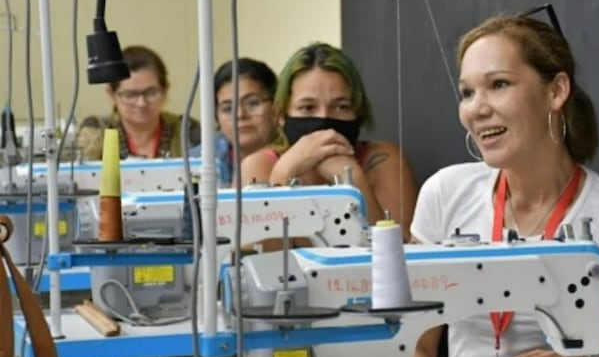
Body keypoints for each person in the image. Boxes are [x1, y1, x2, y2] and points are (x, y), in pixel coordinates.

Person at [409, 13, 599, 357]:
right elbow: (414, 348)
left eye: (498, 84)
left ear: (556, 91)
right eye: (467, 92)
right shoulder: (445, 194)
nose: (476, 108)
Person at [241, 42, 418, 241]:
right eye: (307, 108)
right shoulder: (259, 166)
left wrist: (353, 181)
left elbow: (397, 254)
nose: (325, 119)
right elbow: (262, 259)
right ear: (281, 114)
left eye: (341, 106)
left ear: (357, 111)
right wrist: (283, 173)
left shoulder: (384, 160)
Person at [76, 45, 201, 160]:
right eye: (130, 95)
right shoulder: (95, 130)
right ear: (112, 94)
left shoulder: (187, 130)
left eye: (151, 93)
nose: (141, 103)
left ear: (166, 89)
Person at [189, 58, 282, 186]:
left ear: (276, 106)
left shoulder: (296, 151)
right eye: (228, 108)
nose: (240, 115)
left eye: (252, 103)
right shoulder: (199, 161)